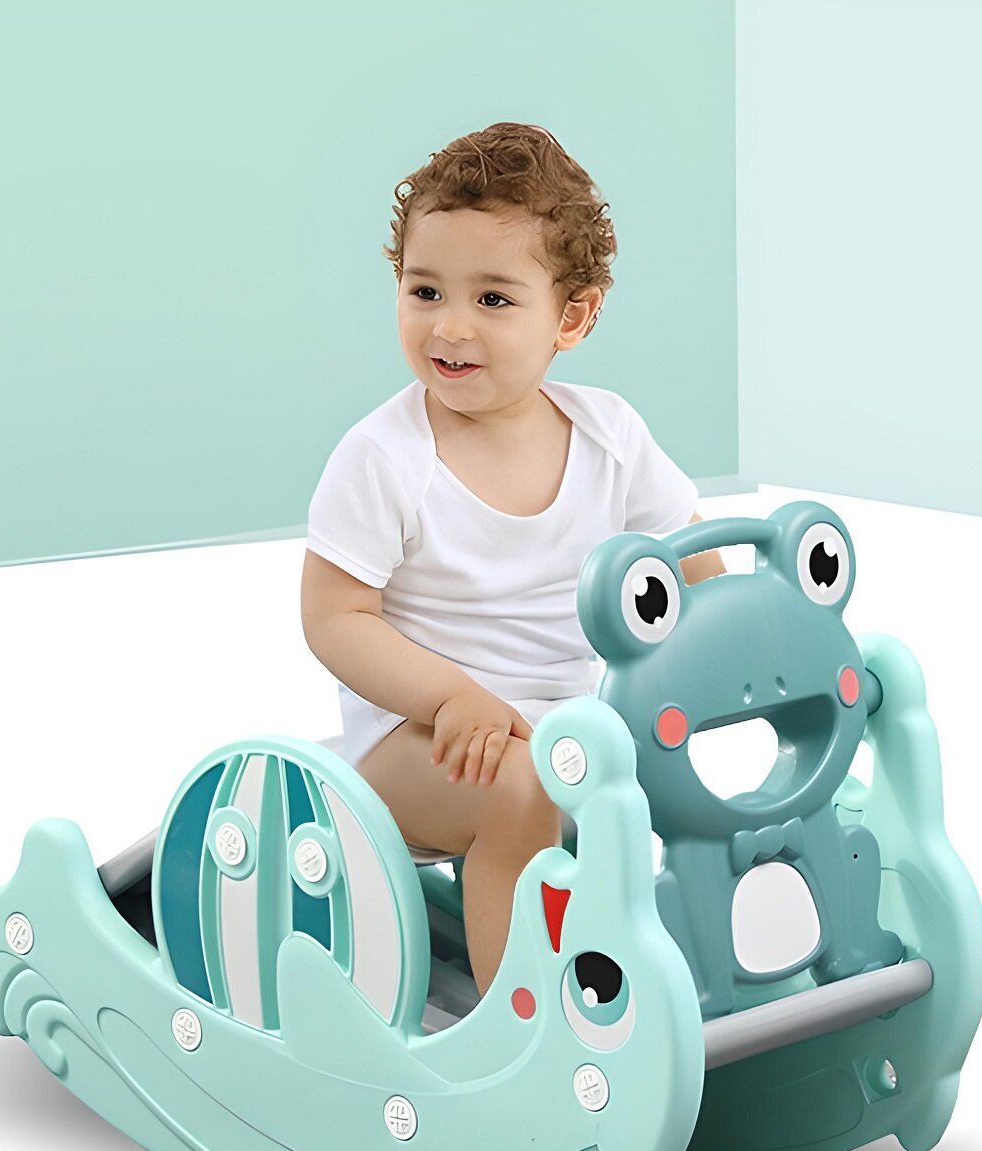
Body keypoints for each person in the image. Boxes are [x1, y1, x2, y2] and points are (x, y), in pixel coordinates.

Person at [300, 122, 724, 999]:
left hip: (577, 728)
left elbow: (694, 569)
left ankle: (697, 972)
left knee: (664, 780)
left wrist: (733, 646)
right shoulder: (385, 457)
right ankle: (522, 1016)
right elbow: (335, 619)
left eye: (493, 299)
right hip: (417, 741)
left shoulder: (609, 434)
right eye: (425, 290)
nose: (450, 326)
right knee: (523, 791)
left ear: (572, 316)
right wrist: (450, 696)